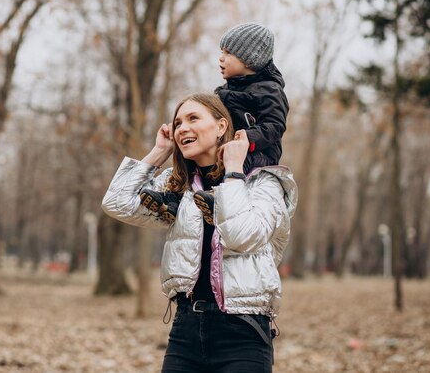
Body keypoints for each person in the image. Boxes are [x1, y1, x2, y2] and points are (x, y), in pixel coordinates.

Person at [102, 94, 297, 373]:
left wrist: (233, 171)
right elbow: (117, 203)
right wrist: (159, 151)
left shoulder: (263, 183)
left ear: (221, 126)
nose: (182, 128)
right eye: (178, 122)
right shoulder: (178, 186)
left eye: (193, 119)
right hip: (185, 332)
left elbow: (241, 236)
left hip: (243, 334)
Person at [139, 22, 289, 225]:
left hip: (257, 153)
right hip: (227, 147)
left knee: (227, 161)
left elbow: (275, 125)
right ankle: (173, 200)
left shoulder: (269, 90)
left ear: (249, 60)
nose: (221, 58)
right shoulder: (224, 91)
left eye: (228, 53)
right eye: (222, 52)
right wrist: (189, 128)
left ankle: (218, 202)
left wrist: (249, 138)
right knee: (194, 158)